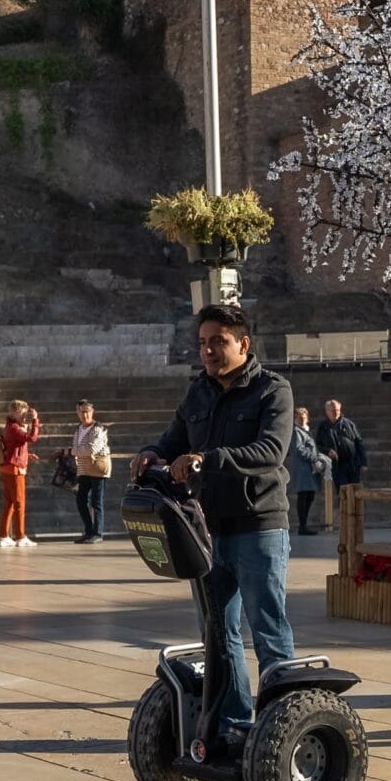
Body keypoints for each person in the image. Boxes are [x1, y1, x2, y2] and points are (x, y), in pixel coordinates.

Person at [136, 303, 298, 746]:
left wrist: (208, 460)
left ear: (243, 344)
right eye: (204, 342)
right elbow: (173, 441)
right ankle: (234, 725)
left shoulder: (272, 391)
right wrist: (153, 453)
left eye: (218, 342)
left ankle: (282, 726)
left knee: (268, 627)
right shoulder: (198, 393)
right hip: (207, 532)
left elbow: (271, 451)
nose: (208, 350)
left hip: (259, 526)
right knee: (218, 634)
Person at [0, 400, 40, 548]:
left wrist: (28, 455)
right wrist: (35, 421)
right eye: (22, 412)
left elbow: (16, 447)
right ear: (13, 413)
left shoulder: (11, 427)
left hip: (8, 467)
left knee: (9, 503)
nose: (24, 415)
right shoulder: (14, 428)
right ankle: (20, 535)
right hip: (15, 469)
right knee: (19, 503)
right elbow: (32, 438)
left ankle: (3, 535)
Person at [70, 401, 112, 543]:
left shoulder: (98, 429)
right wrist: (76, 451)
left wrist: (74, 451)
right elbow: (81, 448)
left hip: (97, 469)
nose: (84, 415)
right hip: (83, 469)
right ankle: (88, 531)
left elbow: (91, 450)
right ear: (77, 412)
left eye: (87, 411)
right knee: (81, 499)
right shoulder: (78, 429)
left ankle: (98, 533)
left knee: (96, 501)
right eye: (81, 411)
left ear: (92, 411)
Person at [286, 405, 332, 534]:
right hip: (303, 469)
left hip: (310, 470)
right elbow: (299, 449)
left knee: (309, 496)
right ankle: (302, 526)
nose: (302, 419)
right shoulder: (296, 431)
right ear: (295, 418)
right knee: (303, 496)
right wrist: (315, 457)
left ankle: (304, 526)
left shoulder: (306, 431)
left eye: (304, 417)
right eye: (299, 417)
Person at [315, 400, 367, 491]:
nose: (336, 412)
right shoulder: (323, 427)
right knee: (343, 493)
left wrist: (363, 462)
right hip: (337, 466)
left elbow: (359, 442)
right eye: (333, 410)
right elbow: (317, 446)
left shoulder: (349, 424)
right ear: (327, 411)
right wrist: (328, 451)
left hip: (353, 465)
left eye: (337, 410)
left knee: (356, 492)